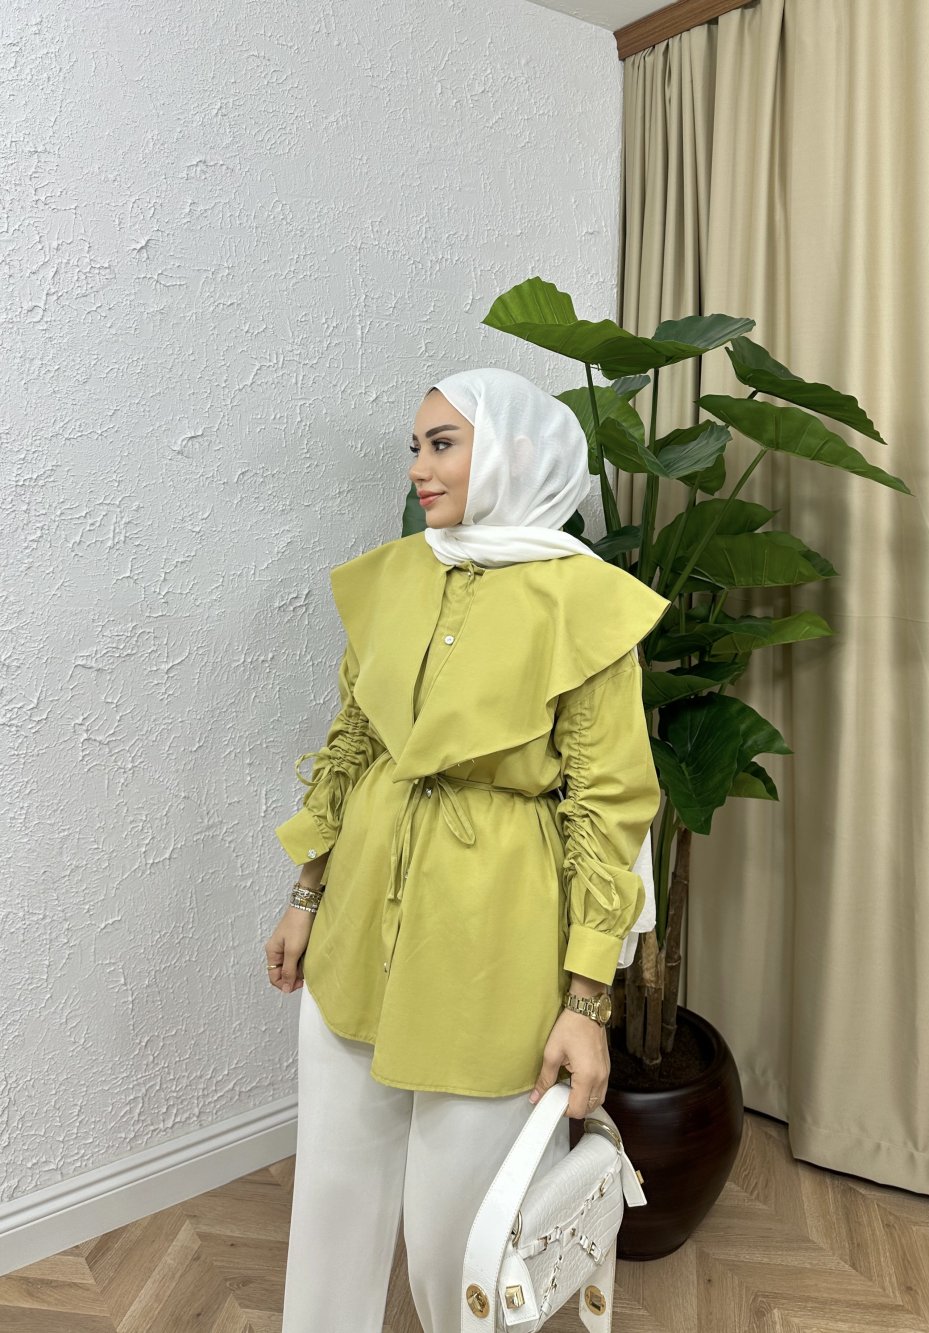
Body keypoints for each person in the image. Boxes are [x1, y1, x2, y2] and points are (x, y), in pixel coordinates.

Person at [265, 367, 671, 1331]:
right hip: (358, 923)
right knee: (331, 1200)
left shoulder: (585, 603)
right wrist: (305, 895)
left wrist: (585, 1002)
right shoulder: (396, 576)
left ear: (515, 455)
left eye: (443, 443)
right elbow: (351, 742)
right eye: (416, 446)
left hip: (492, 942)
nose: (419, 467)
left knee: (467, 1236)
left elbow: (607, 808)